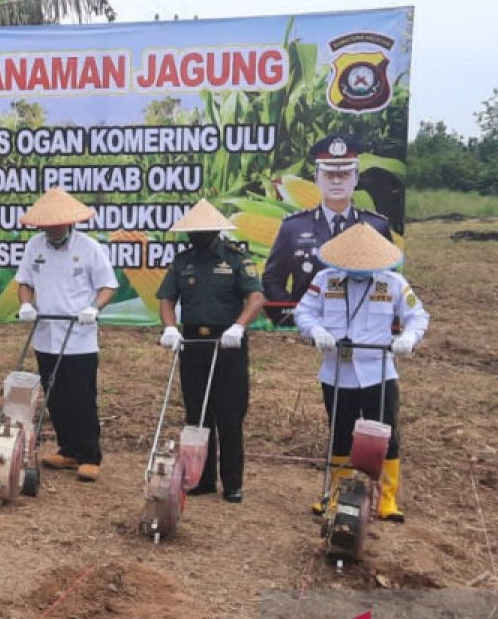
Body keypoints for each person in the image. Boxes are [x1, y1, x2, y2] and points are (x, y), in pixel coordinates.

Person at [293, 222, 429, 522]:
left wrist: (408, 338)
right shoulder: (325, 280)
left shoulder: (392, 283)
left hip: (378, 371)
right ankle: (336, 495)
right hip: (337, 372)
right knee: (340, 434)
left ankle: (387, 499)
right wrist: (316, 331)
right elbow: (303, 312)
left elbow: (417, 316)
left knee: (385, 436)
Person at [155, 200, 265, 503]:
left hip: (228, 342)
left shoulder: (236, 259)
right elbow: (166, 298)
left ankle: (232, 483)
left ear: (215, 231)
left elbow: (255, 298)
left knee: (229, 414)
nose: (196, 237)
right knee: (197, 412)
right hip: (192, 343)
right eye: (191, 232)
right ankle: (201, 477)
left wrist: (239, 327)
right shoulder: (182, 261)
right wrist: (170, 328)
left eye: (201, 231)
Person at [14, 188, 117, 483]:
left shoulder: (88, 247)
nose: (50, 229)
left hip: (79, 337)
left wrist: (93, 308)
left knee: (81, 397)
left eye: (55, 224)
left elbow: (108, 286)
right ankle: (68, 449)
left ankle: (89, 455)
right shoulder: (35, 246)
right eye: (45, 225)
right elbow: (24, 281)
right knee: (55, 395)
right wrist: (25, 303)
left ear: (68, 222)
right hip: (46, 334)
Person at [262, 135, 393, 325]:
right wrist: (292, 315)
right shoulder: (294, 226)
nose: (337, 181)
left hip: (359, 325)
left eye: (344, 174)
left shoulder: (376, 226)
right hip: (307, 329)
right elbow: (272, 279)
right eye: (329, 175)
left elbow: (389, 281)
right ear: (316, 178)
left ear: (356, 178)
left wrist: (378, 320)